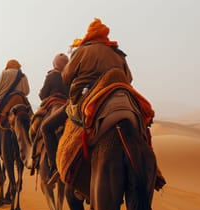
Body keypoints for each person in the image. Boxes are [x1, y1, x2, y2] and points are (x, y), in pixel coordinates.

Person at [43, 18, 133, 185]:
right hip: (120, 95)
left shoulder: (82, 50)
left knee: (46, 127)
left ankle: (54, 167)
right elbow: (129, 78)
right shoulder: (118, 53)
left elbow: (66, 76)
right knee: (141, 125)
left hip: (87, 97)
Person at [38, 53, 70, 183]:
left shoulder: (52, 75)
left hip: (55, 105)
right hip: (69, 106)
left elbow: (42, 95)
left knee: (39, 127)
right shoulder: (70, 75)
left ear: (54, 64)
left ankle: (51, 164)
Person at [0, 59, 30, 144]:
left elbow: (0, 87)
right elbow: (26, 91)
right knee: (31, 118)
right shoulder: (23, 76)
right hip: (21, 100)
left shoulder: (4, 73)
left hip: (6, 100)